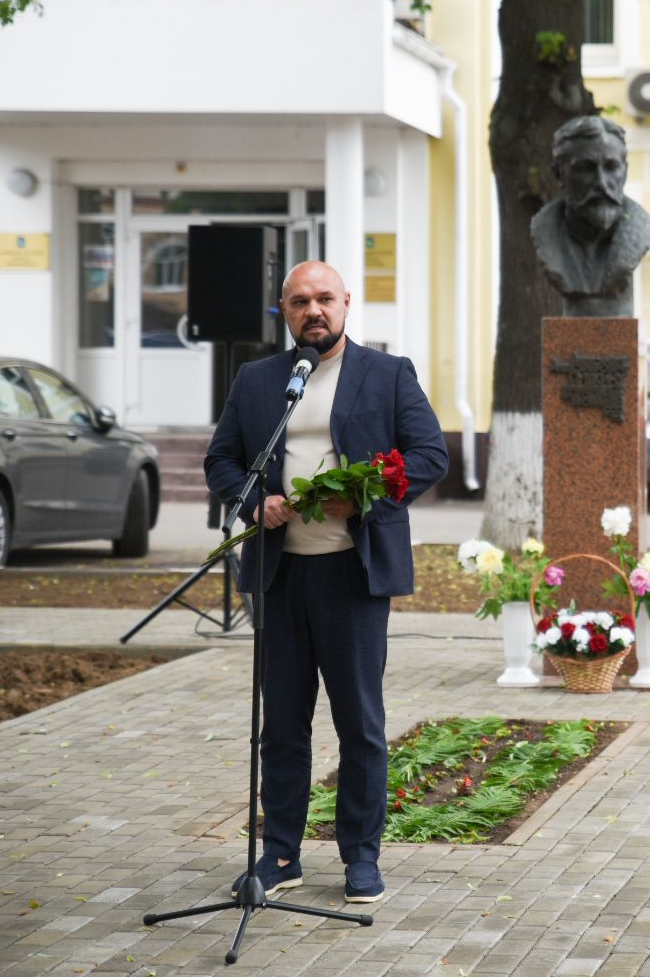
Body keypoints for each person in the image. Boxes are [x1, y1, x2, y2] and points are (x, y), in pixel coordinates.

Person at [204, 260, 448, 905]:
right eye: (299, 302)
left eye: (324, 300)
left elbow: (428, 455)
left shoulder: (388, 374)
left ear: (346, 304)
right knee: (282, 723)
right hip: (278, 576)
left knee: (359, 723)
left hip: (352, 575)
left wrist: (364, 498)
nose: (314, 311)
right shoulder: (260, 380)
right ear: (283, 311)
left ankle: (360, 856)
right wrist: (255, 502)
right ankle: (281, 854)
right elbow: (223, 458)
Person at [531, 114, 650, 317]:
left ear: (625, 171)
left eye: (611, 167)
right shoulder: (545, 231)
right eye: (586, 169)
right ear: (559, 175)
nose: (601, 183)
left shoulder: (640, 230)